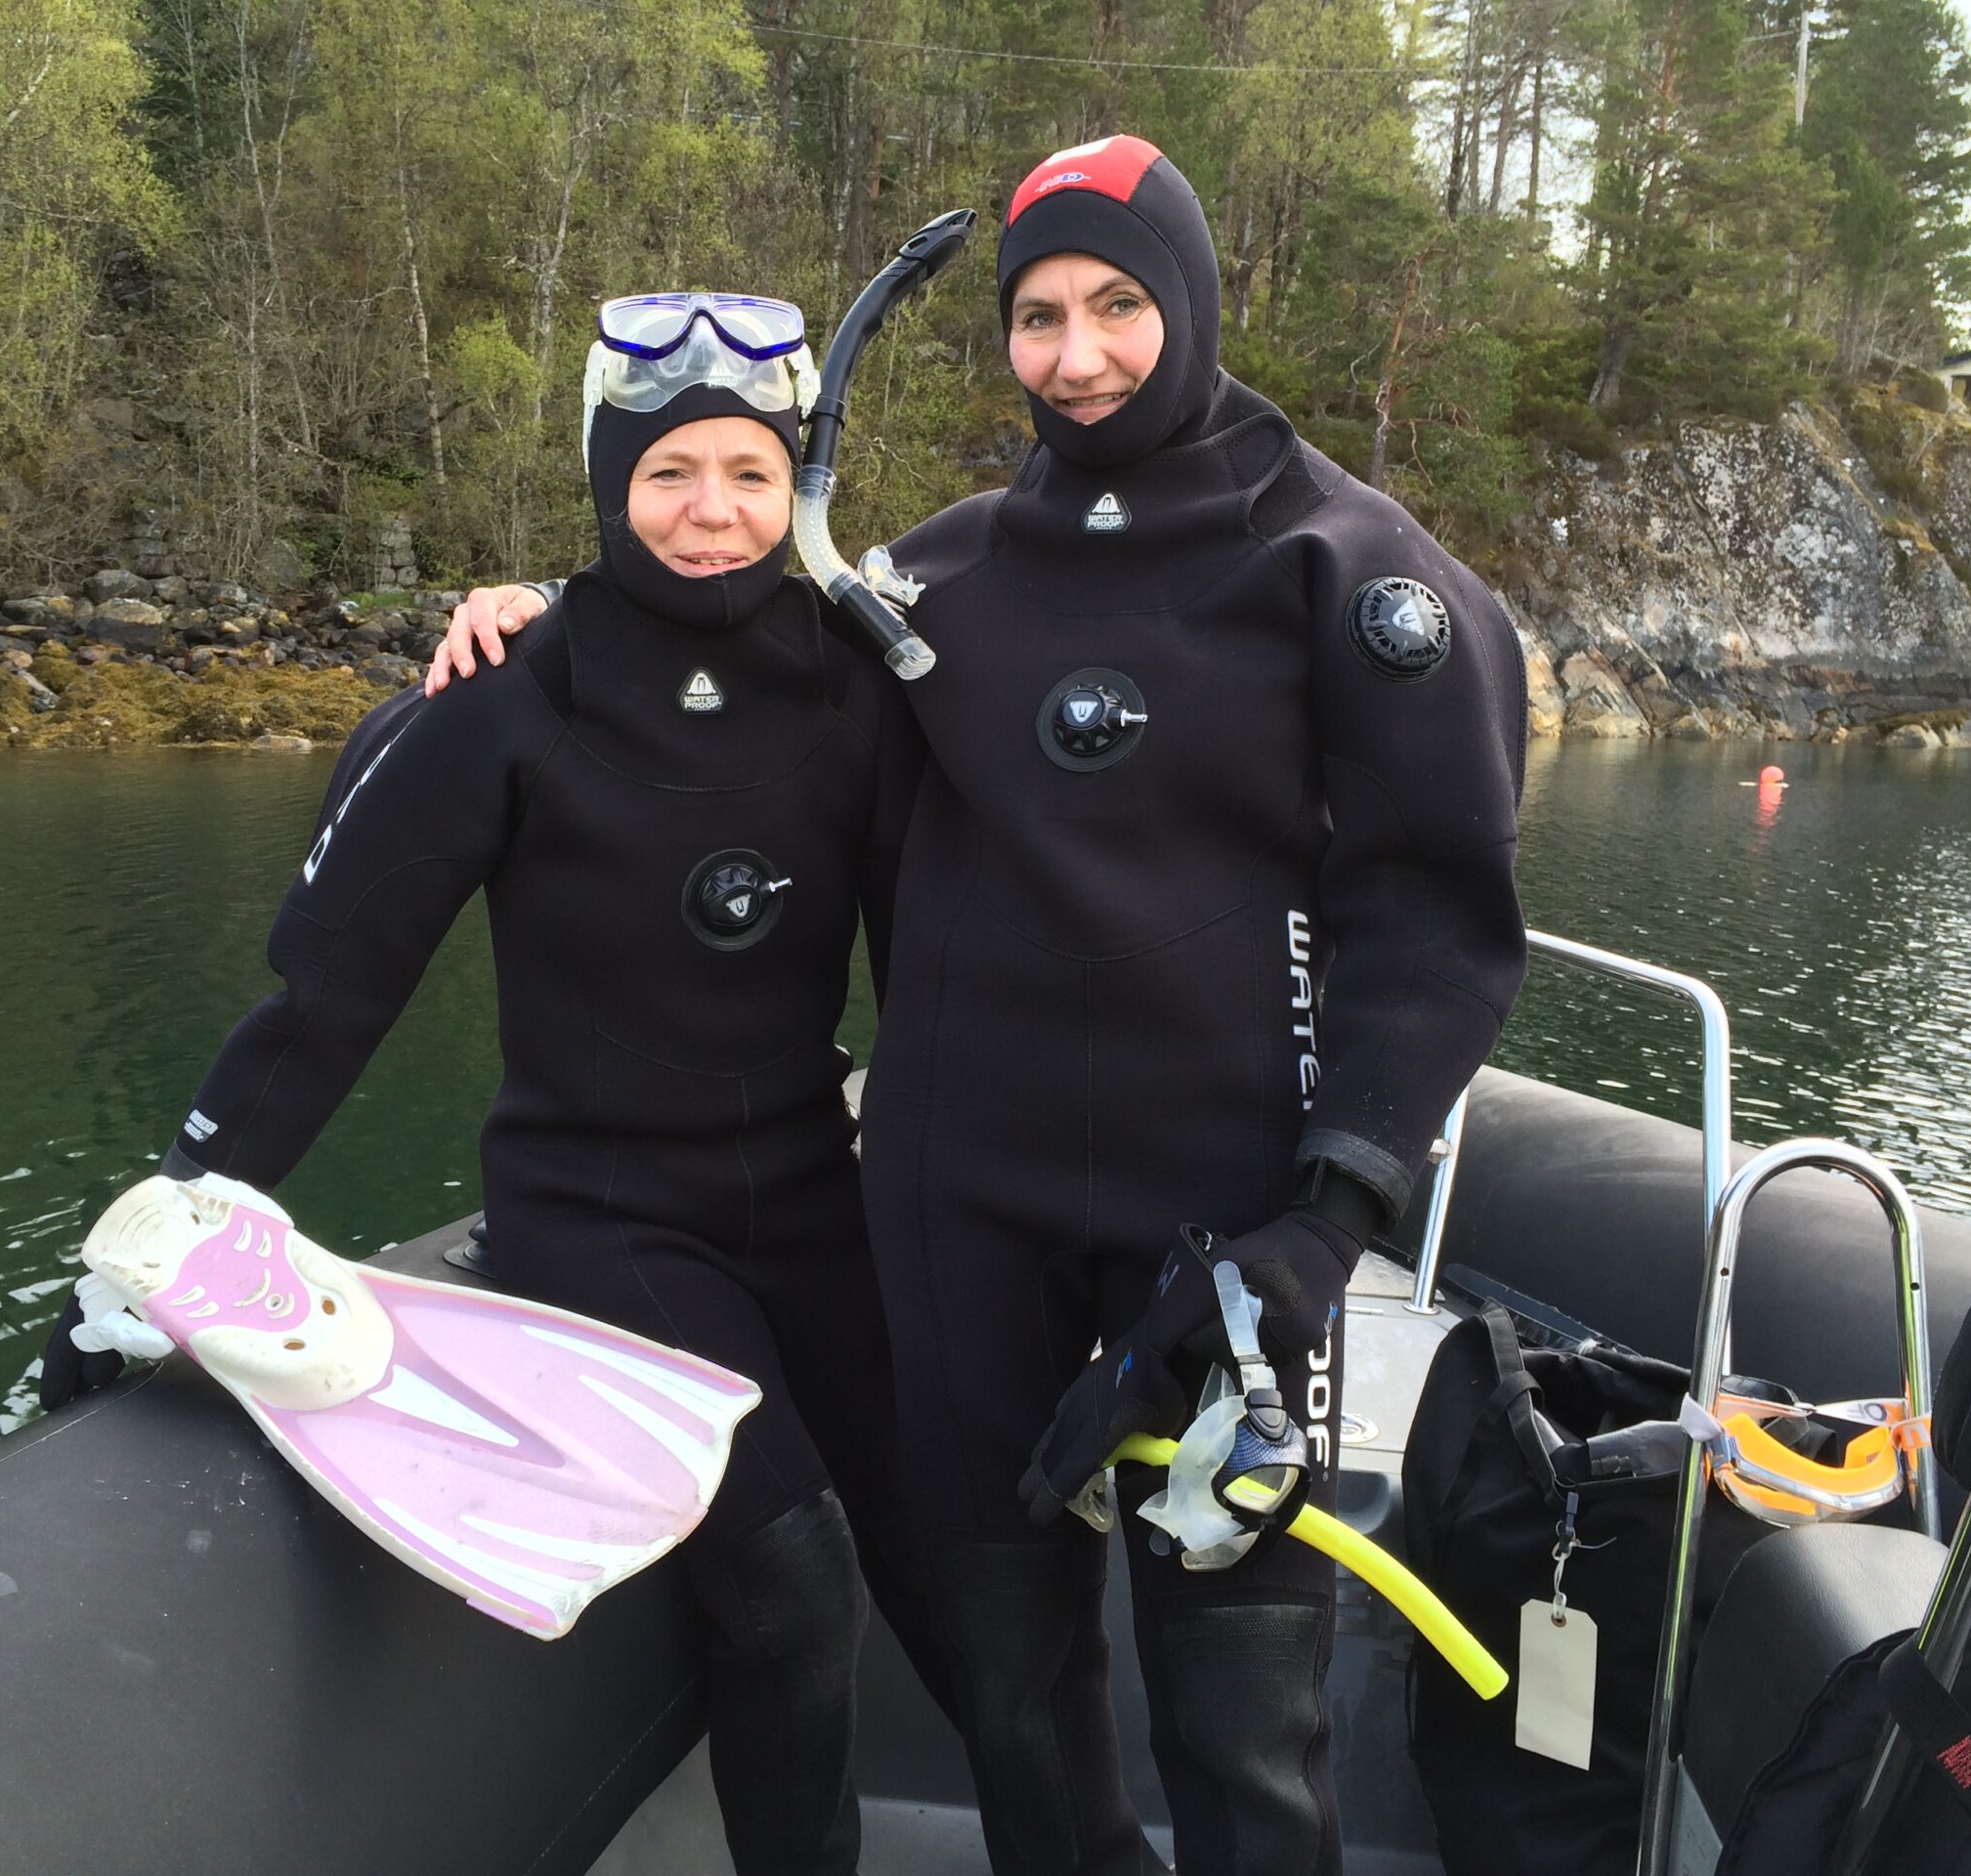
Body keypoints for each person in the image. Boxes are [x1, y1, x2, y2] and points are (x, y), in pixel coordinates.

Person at [428, 135, 1529, 1876]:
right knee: (1014, 1690)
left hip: (1226, 1244)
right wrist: (519, 616)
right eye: (1037, 316)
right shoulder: (935, 580)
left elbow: (1439, 922)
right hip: (957, 1224)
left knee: (1245, 1719)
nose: (1076, 353)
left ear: (1189, 300)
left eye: (1115, 306)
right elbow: (700, 636)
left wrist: (1327, 1219)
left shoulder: (1345, 567)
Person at [59, 291, 938, 1876]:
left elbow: (955, 962)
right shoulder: (504, 700)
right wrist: (180, 1205)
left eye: (750, 472)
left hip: (817, 1201)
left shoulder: (858, 688)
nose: (712, 513)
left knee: (961, 1555)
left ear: (795, 482)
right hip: (602, 1219)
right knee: (796, 1570)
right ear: (609, 482)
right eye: (670, 475)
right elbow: (328, 995)